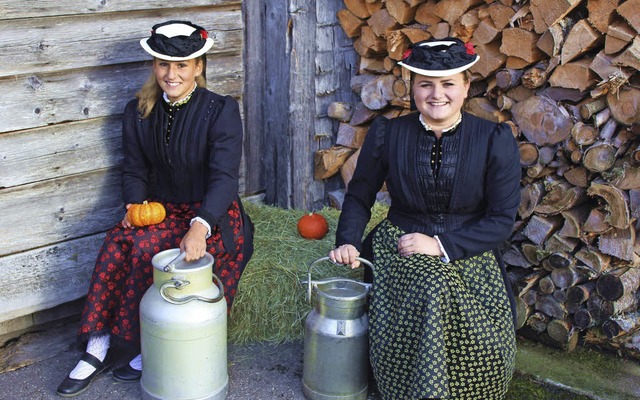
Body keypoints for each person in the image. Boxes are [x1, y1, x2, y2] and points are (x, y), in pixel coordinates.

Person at [56, 20, 254, 397]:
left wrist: (201, 225)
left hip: (211, 213)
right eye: (163, 64)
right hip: (159, 208)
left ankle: (149, 345)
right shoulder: (138, 110)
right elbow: (134, 168)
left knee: (153, 252)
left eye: (182, 65)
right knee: (118, 241)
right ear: (154, 66)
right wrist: (134, 203)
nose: (171, 73)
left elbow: (225, 178)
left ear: (198, 67)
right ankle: (97, 347)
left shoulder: (221, 110)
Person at [329, 37, 521, 400]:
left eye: (448, 83)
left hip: (468, 251)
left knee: (439, 284)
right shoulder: (387, 133)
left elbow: (500, 220)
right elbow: (359, 195)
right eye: (426, 84)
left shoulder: (494, 138)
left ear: (466, 86)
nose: (437, 94)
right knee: (428, 280)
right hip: (400, 242)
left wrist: (440, 245)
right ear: (412, 86)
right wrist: (349, 240)